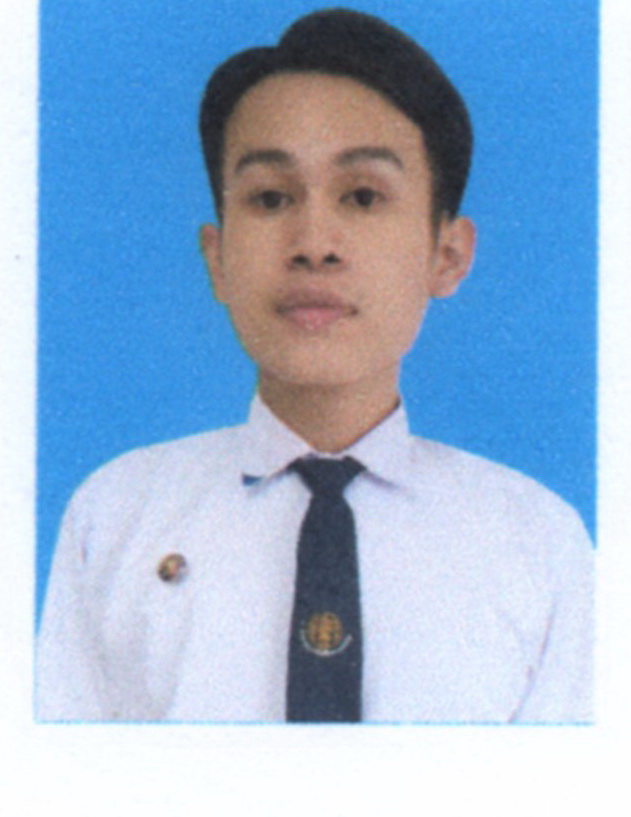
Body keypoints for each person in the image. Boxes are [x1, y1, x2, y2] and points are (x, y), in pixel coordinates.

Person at [37, 8, 593, 723]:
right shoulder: (115, 515)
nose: (313, 244)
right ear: (217, 258)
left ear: (447, 254)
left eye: (362, 196)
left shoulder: (539, 542)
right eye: (270, 198)